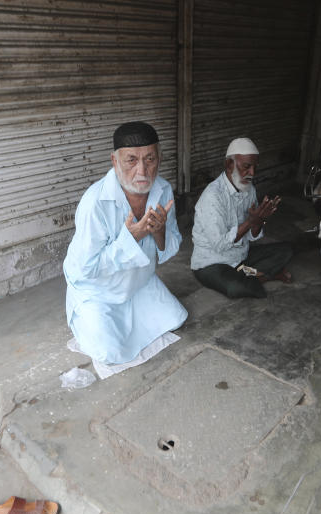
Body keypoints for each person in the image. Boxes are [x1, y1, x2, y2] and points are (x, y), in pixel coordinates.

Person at [62, 121, 187, 371]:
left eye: (150, 159)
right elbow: (86, 268)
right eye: (131, 160)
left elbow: (169, 249)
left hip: (139, 284)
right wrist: (132, 238)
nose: (142, 170)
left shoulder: (163, 190)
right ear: (114, 161)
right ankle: (82, 319)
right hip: (98, 293)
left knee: (177, 318)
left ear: (159, 159)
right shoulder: (94, 203)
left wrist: (160, 230)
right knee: (109, 352)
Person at [190, 137, 293, 298]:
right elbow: (219, 245)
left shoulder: (249, 188)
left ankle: (250, 273)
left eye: (254, 167)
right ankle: (265, 275)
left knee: (286, 250)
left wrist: (259, 221)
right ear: (229, 165)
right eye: (246, 167)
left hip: (240, 257)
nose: (252, 173)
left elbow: (252, 236)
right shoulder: (213, 196)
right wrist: (250, 221)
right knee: (236, 288)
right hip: (212, 263)